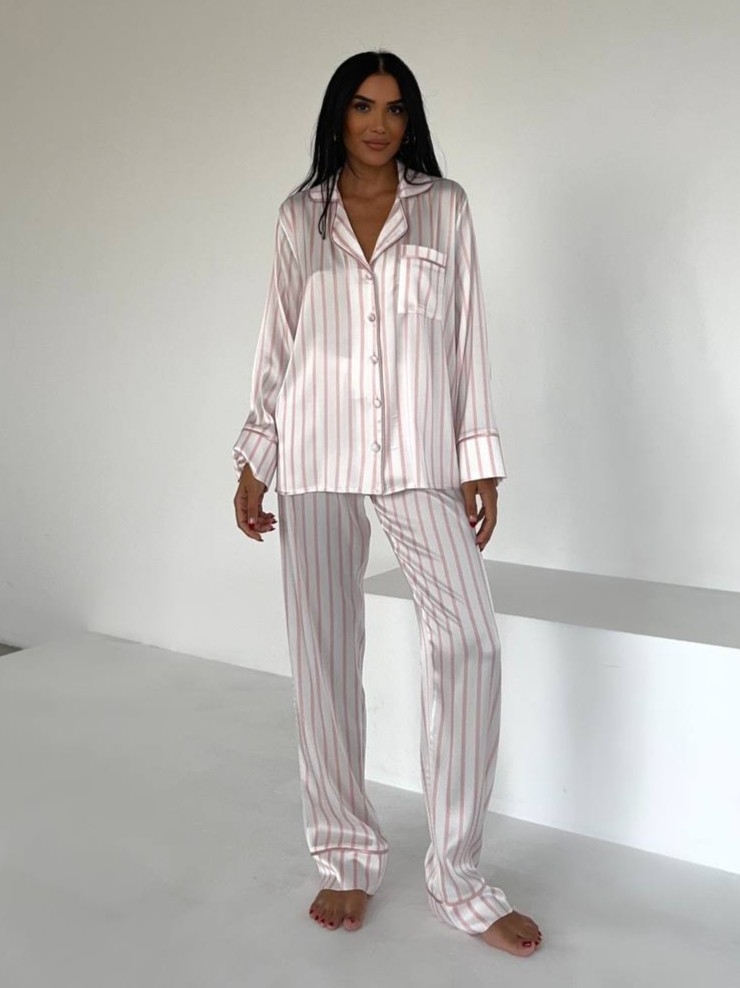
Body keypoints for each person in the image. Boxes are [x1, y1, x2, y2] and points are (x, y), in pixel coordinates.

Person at [232, 50, 542, 957]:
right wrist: (255, 458)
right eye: (364, 106)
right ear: (339, 115)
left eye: (396, 109)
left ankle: (458, 877)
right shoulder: (300, 217)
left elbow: (467, 339)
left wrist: (478, 460)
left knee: (471, 639)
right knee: (325, 660)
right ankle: (345, 855)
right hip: (314, 451)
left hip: (418, 455)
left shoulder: (445, 208)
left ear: (411, 122)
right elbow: (277, 345)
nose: (379, 124)